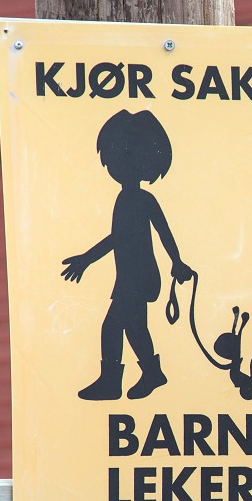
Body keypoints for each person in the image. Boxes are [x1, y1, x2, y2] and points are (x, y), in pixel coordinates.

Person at [61, 109, 194, 400]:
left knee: (115, 327)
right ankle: (149, 373)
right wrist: (175, 261)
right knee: (132, 327)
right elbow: (160, 233)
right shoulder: (136, 198)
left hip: (136, 277)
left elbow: (142, 234)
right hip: (134, 276)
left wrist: (86, 259)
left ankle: (119, 380)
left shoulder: (134, 199)